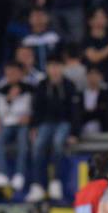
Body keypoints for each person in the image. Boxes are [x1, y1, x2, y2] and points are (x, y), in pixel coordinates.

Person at [25, 53, 81, 203]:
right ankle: (38, 185)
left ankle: (56, 183)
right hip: (45, 123)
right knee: (37, 146)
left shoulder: (70, 86)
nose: (54, 70)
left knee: (57, 143)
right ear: (47, 68)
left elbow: (75, 112)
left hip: (64, 123)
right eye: (51, 67)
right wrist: (33, 127)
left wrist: (75, 133)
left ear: (62, 68)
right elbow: (36, 109)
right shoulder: (42, 86)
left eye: (57, 67)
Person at [0, 60, 32, 192]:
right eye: (8, 73)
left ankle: (19, 175)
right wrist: (9, 99)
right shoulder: (1, 90)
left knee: (22, 141)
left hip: (23, 124)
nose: (11, 76)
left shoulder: (29, 88)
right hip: (7, 124)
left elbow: (30, 109)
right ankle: (2, 174)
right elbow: (1, 112)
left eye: (14, 73)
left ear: (21, 73)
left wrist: (29, 118)